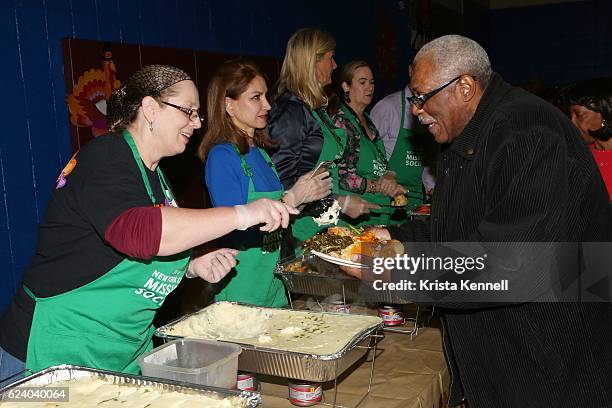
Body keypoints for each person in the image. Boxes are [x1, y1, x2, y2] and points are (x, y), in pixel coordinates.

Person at [343, 36, 612, 407]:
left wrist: (393, 269)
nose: (415, 110)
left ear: (465, 87)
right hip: (513, 356)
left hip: (552, 365)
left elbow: (505, 263)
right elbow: (460, 225)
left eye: (421, 97)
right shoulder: (471, 133)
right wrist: (394, 234)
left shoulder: (528, 134)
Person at [0, 64, 297, 381]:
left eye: (197, 114)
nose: (197, 123)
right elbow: (142, 232)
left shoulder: (156, 176)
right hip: (54, 353)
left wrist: (192, 267)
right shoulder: (105, 156)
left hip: (121, 354)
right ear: (151, 108)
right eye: (188, 111)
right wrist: (243, 213)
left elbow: (125, 256)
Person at [198, 59, 331, 307]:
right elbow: (231, 226)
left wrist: (304, 197)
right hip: (243, 291)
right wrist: (293, 197)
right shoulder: (222, 156)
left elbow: (279, 217)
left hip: (274, 287)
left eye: (266, 96)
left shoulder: (261, 154)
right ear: (229, 105)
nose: (267, 105)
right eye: (256, 97)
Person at [269, 28, 377, 245]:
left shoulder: (314, 109)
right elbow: (283, 184)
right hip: (304, 231)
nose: (335, 65)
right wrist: (339, 203)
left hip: (326, 224)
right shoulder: (291, 111)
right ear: (313, 61)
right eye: (330, 58)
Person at [330, 60, 406, 226]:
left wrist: (389, 177)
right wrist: (382, 188)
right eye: (362, 82)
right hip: (355, 216)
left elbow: (379, 165)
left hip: (378, 213)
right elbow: (344, 179)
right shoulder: (341, 123)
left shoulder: (368, 120)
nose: (369, 87)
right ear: (346, 86)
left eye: (372, 82)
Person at [370, 70, 434, 210]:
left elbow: (427, 160)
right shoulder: (387, 107)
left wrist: (433, 190)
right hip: (384, 199)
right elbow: (369, 152)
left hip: (415, 201)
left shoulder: (431, 111)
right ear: (410, 70)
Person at [567, 77, 612, 200]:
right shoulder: (578, 155)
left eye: (579, 115)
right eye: (570, 115)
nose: (572, 123)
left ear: (605, 112)